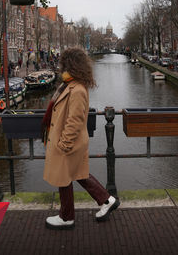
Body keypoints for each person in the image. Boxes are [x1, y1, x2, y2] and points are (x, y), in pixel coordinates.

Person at [42, 48, 120, 230]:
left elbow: (75, 120)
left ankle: (67, 217)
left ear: (70, 65)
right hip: (70, 141)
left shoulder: (76, 89)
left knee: (65, 177)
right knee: (75, 175)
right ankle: (106, 200)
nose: (60, 67)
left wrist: (63, 143)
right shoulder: (70, 85)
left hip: (69, 142)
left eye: (63, 64)